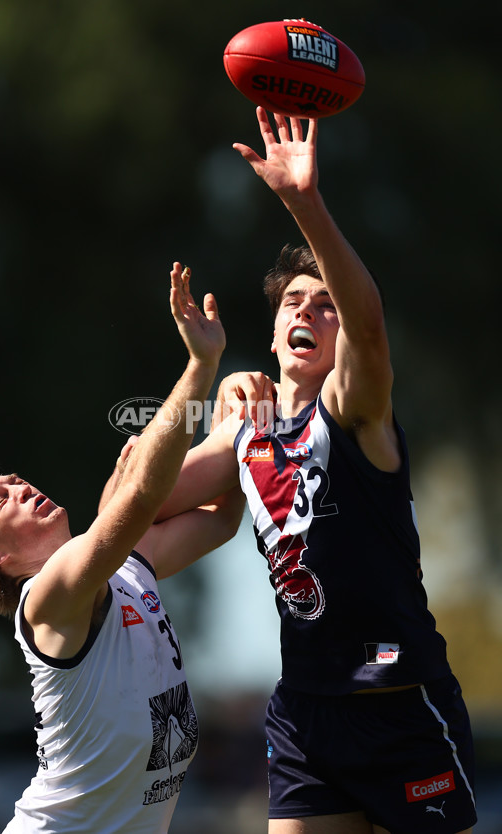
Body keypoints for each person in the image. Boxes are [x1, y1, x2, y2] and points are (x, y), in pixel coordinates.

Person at [156, 108, 477, 834]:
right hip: (305, 713)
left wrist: (305, 204)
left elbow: (369, 325)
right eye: (294, 301)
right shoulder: (249, 434)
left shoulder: (355, 412)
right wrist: (201, 381)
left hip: (398, 704)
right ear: (272, 335)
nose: (309, 310)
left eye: (325, 304)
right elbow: (132, 507)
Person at [0, 265, 245, 834]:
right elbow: (145, 493)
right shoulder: (48, 597)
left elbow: (223, 518)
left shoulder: (126, 569)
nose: (23, 489)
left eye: (16, 482)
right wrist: (201, 369)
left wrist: (236, 411)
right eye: (3, 502)